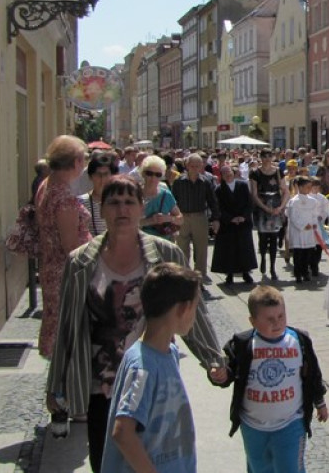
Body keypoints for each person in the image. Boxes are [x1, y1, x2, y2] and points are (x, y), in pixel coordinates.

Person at [46, 177, 223, 472]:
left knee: (156, 454)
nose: (122, 210)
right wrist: (56, 384)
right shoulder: (80, 262)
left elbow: (192, 311)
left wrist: (213, 359)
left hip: (153, 376)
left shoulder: (166, 254)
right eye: (113, 203)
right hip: (101, 382)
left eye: (130, 202)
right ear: (101, 210)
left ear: (142, 208)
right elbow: (66, 324)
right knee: (106, 460)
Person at [101, 263, 214, 473]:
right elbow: (123, 432)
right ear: (183, 308)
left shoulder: (168, 353)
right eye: (196, 307)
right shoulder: (142, 367)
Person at [214, 285, 328, 473]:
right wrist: (220, 375)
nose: (277, 323)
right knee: (259, 467)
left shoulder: (299, 341)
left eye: (281, 316)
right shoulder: (243, 344)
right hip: (253, 425)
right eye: (269, 319)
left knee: (289, 468)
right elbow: (228, 372)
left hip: (290, 423)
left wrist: (320, 402)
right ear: (253, 321)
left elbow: (313, 374)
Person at [35, 135, 93, 357]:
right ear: (76, 161)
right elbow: (71, 245)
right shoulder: (63, 196)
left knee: (58, 324)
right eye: (84, 159)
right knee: (67, 331)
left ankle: (59, 383)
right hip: (66, 272)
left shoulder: (48, 184)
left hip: (52, 265)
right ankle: (64, 385)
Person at [172, 154, 220, 279]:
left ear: (202, 166)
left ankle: (199, 278)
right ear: (187, 166)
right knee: (182, 249)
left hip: (200, 217)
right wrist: (173, 219)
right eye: (192, 166)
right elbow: (172, 201)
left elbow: (213, 201)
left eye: (198, 166)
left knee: (201, 250)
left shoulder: (206, 182)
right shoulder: (178, 182)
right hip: (183, 218)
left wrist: (215, 219)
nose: (194, 168)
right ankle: (184, 278)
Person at [211, 164, 257, 284]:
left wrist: (243, 216)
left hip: (243, 222)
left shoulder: (242, 185)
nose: (228, 175)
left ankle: (246, 273)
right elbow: (218, 207)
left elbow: (249, 203)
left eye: (230, 172)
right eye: (225, 174)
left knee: (244, 249)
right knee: (228, 250)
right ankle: (229, 274)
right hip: (227, 224)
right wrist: (230, 218)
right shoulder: (219, 189)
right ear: (222, 176)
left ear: (233, 172)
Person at [250, 149, 288, 281]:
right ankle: (263, 259)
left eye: (269, 156)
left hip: (276, 205)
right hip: (262, 206)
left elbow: (285, 191)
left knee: (274, 238)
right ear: (260, 157)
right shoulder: (255, 173)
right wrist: (264, 207)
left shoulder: (278, 171)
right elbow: (254, 193)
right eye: (264, 156)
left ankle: (272, 267)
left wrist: (281, 207)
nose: (267, 159)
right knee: (262, 237)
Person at [285, 176, 320, 285]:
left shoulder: (313, 201)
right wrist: (303, 225)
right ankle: (298, 274)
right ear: (299, 187)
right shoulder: (294, 201)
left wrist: (313, 224)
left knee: (307, 253)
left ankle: (306, 273)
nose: (309, 189)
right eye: (306, 187)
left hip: (309, 231)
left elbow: (315, 214)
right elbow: (293, 216)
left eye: (310, 187)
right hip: (298, 231)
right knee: (298, 254)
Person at [139, 155, 183, 240]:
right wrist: (150, 221)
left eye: (157, 175)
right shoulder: (134, 194)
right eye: (149, 173)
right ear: (143, 173)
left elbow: (181, 219)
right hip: (141, 243)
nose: (153, 178)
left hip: (163, 242)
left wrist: (168, 218)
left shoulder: (165, 195)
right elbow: (128, 224)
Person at [79, 152, 119, 237]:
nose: (102, 178)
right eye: (98, 174)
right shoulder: (81, 202)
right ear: (90, 177)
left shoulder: (119, 201)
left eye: (106, 174)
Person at [308, 177, 329, 277]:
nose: (315, 188)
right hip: (309, 225)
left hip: (319, 224)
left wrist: (322, 216)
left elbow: (326, 208)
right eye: (313, 186)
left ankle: (315, 264)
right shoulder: (306, 197)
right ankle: (310, 264)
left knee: (319, 245)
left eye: (317, 186)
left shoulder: (322, 198)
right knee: (310, 245)